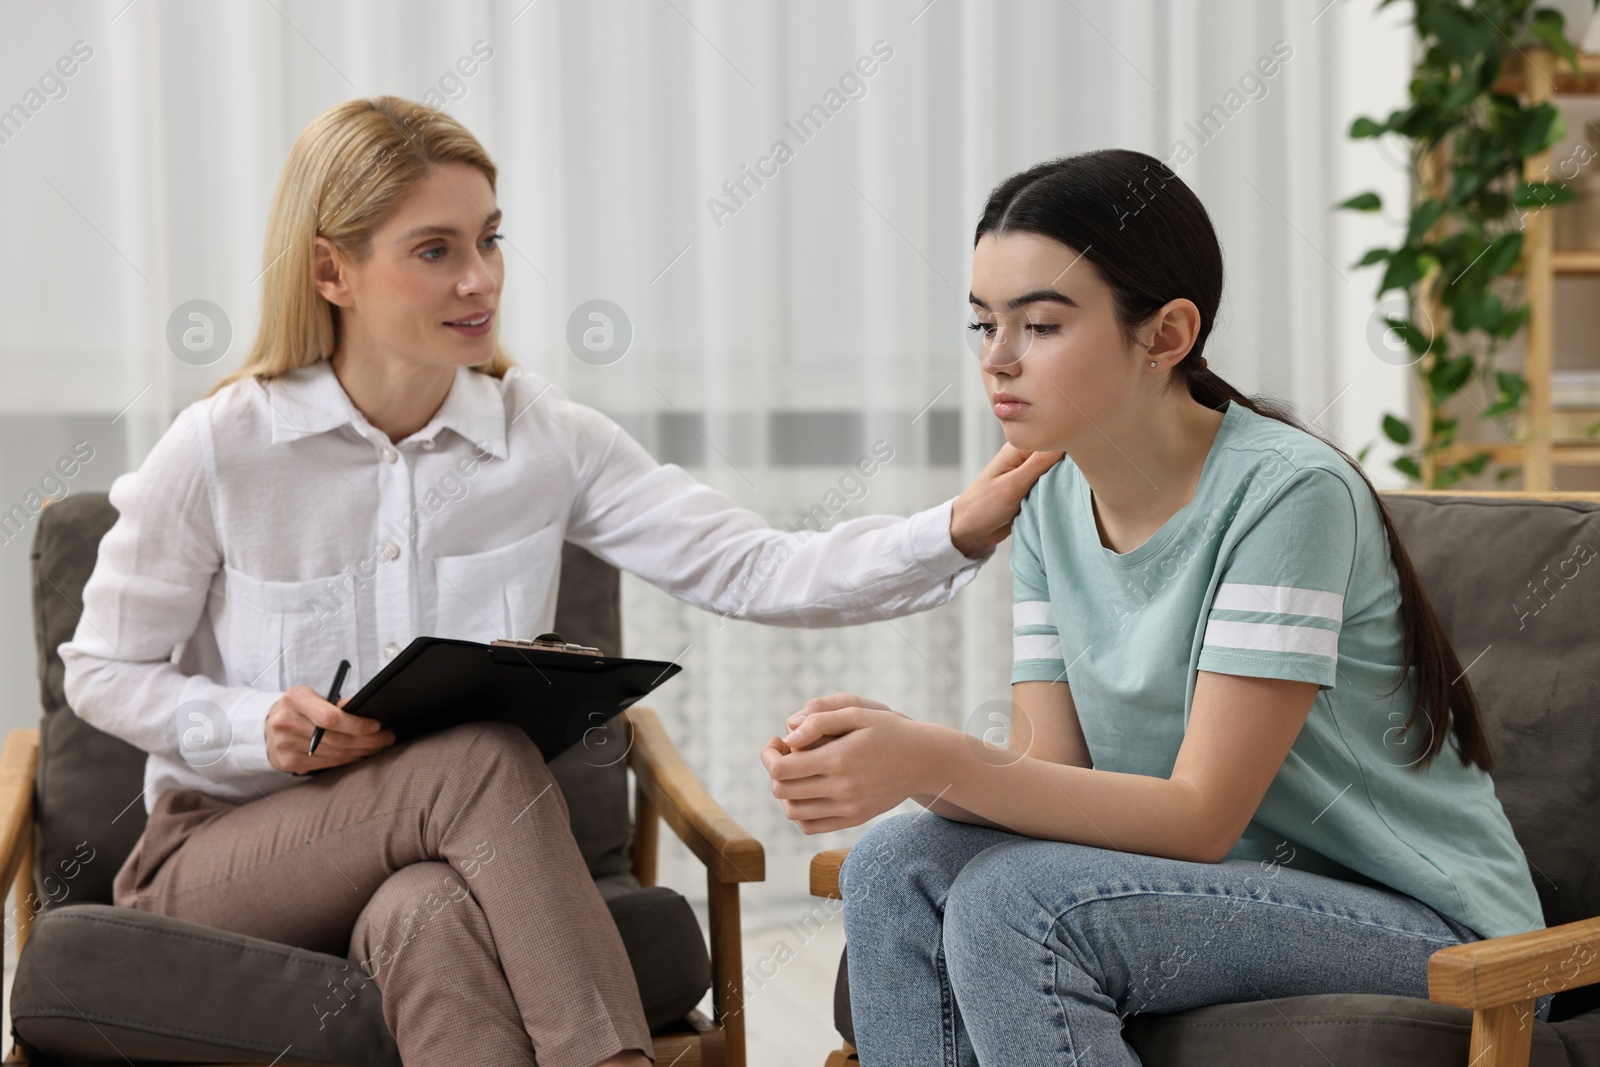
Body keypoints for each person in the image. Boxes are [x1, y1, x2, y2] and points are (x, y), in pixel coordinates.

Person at [58, 96, 1060, 1067]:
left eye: (489, 239)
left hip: (437, 863)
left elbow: (752, 565)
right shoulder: (224, 447)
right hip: (225, 854)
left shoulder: (542, 439)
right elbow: (100, 670)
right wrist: (252, 723)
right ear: (333, 268)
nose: (479, 280)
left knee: (430, 913)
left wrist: (952, 530)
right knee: (481, 756)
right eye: (435, 250)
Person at [761, 149, 1552, 1067]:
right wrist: (904, 753)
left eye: (1042, 325)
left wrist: (935, 757)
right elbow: (1048, 770)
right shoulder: (1052, 500)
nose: (997, 359)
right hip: (1210, 890)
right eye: (982, 323)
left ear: (1166, 334)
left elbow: (1200, 816)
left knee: (1019, 904)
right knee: (892, 866)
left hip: (1428, 924)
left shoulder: (1287, 495)